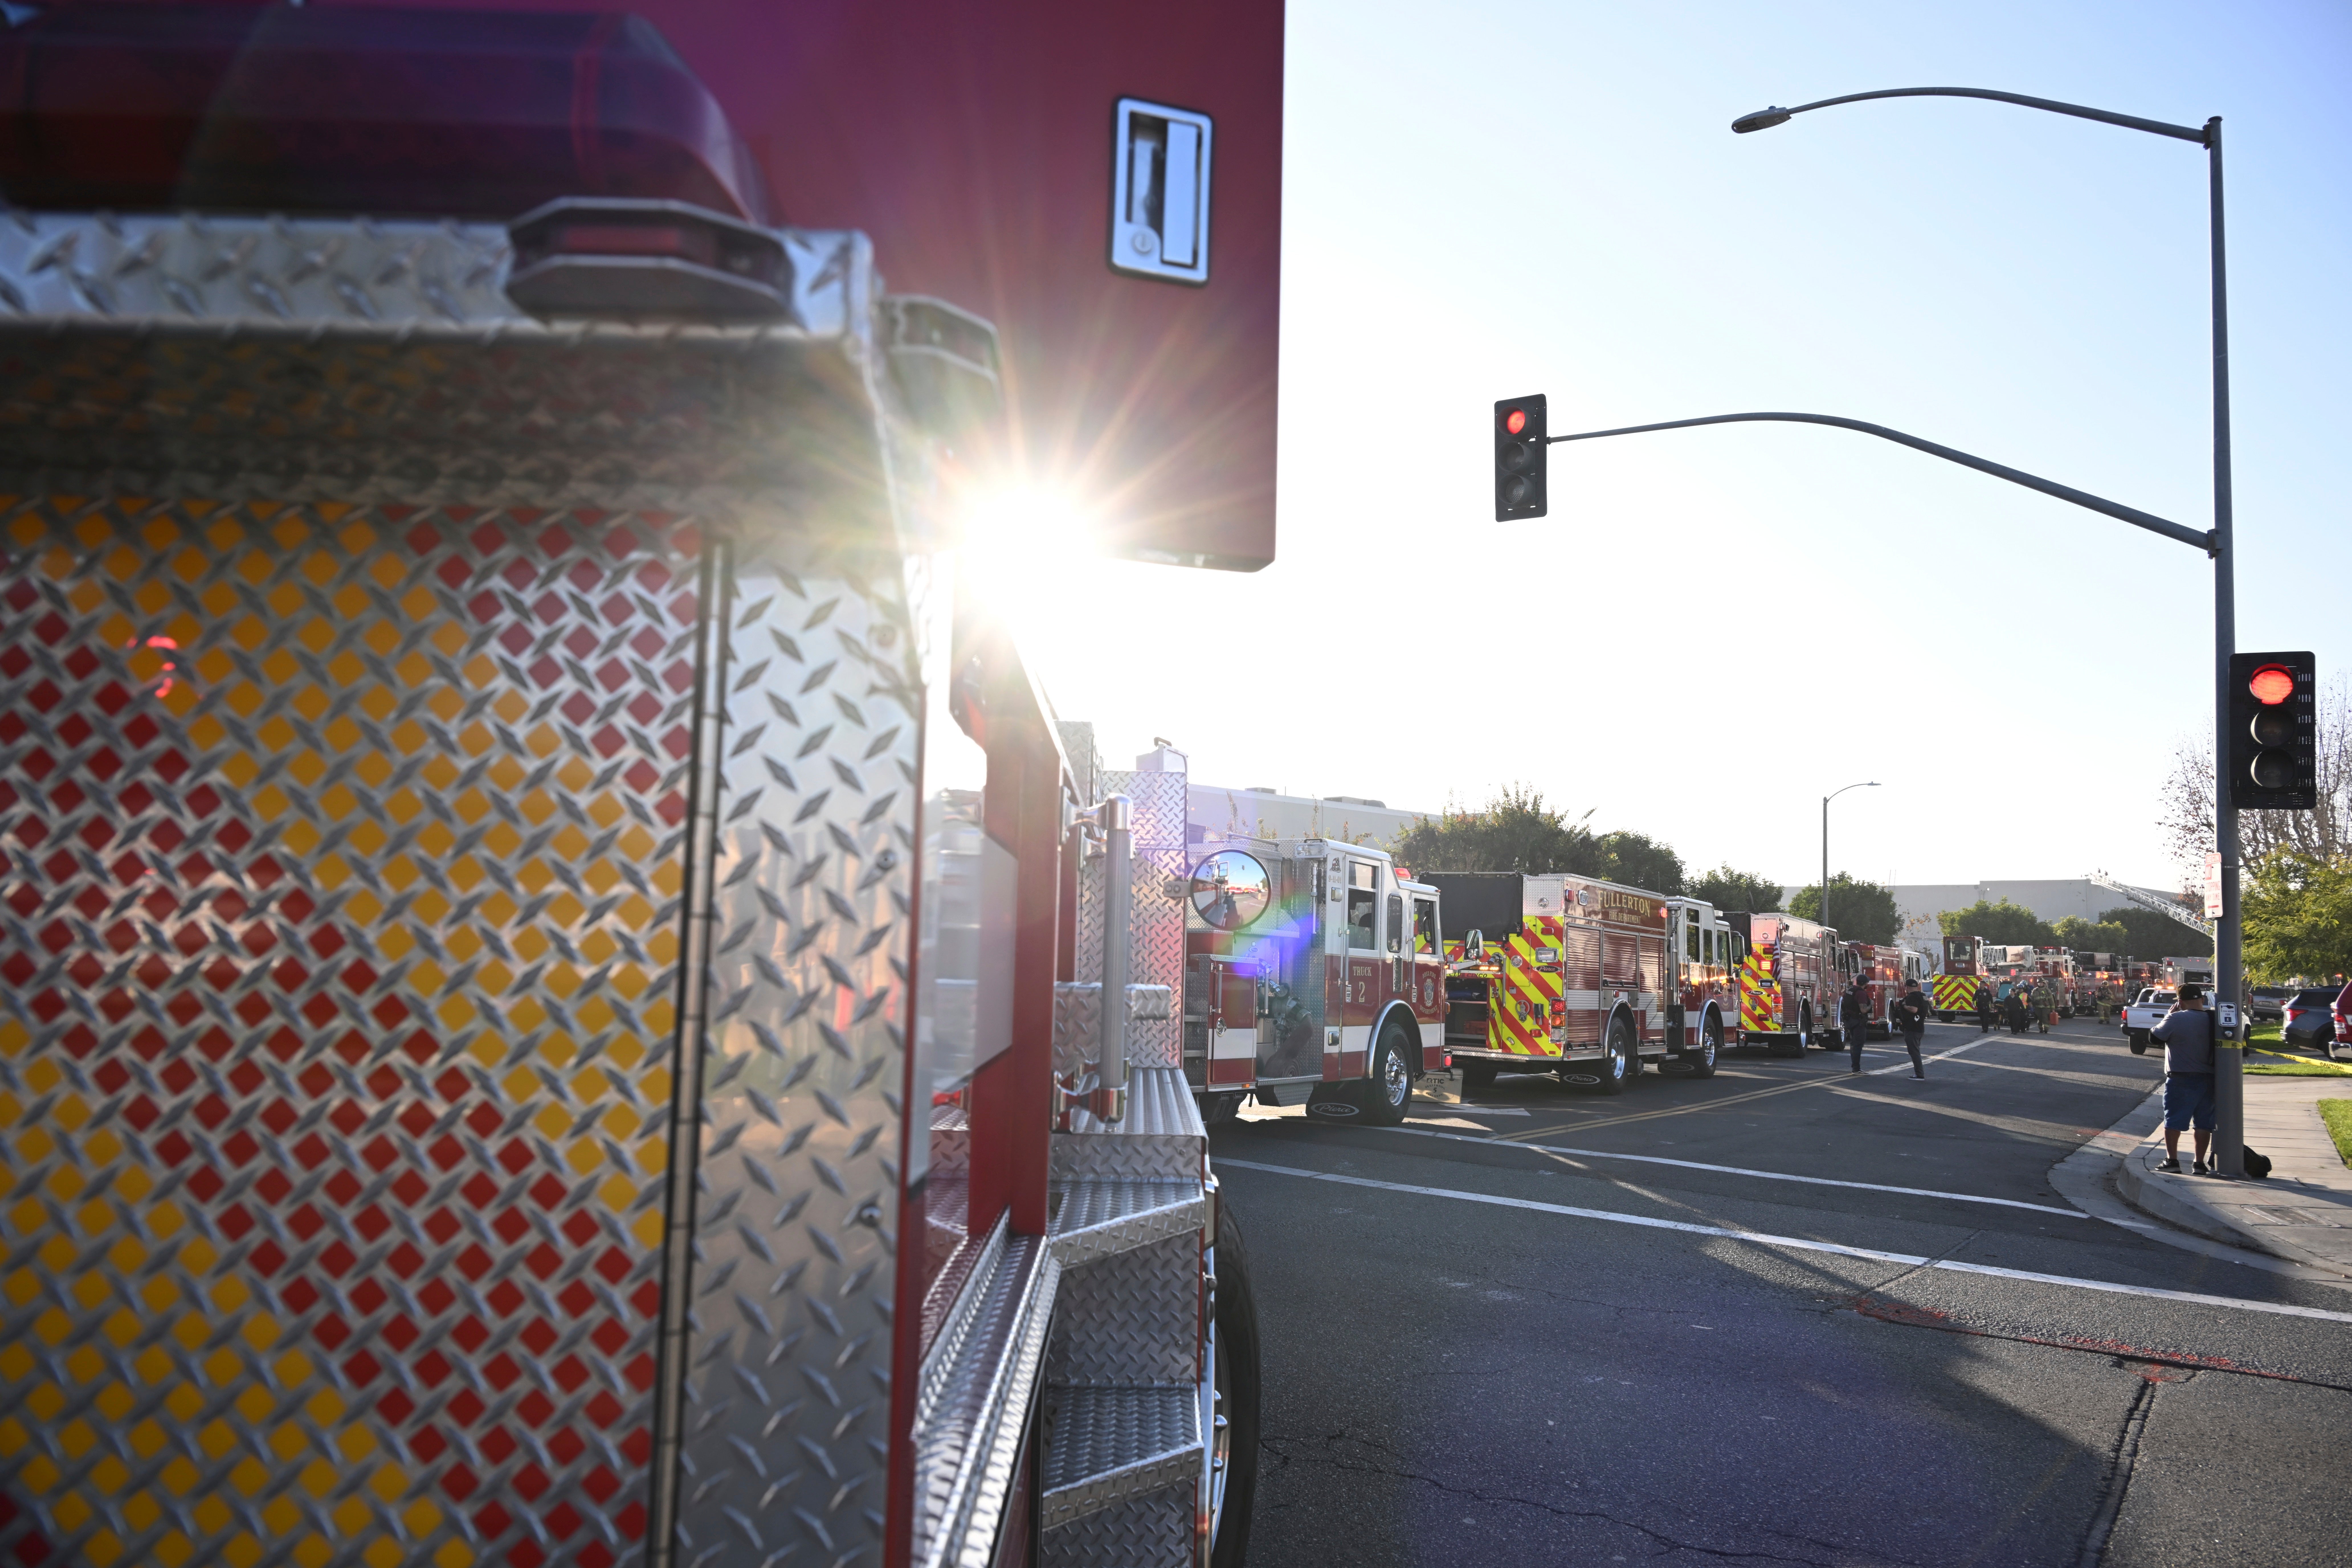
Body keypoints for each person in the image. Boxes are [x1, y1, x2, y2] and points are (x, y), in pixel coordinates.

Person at [2151, 985, 2218, 1174]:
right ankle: (2199, 1164)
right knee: (2204, 1123)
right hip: (2209, 1079)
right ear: (2202, 1000)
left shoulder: (2176, 1018)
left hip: (2181, 1079)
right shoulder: (2213, 1019)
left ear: (2180, 1002)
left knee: (2173, 1121)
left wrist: (2168, 1016)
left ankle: (2172, 1162)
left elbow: (2154, 1037)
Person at [1842, 979, 1872, 1073]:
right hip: (1858, 1022)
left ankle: (1855, 1067)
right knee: (1858, 1046)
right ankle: (1856, 1068)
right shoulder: (1861, 993)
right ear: (1866, 983)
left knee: (1853, 1044)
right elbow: (1863, 1010)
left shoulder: (1850, 990)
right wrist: (1871, 1004)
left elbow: (1843, 1002)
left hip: (1849, 1020)